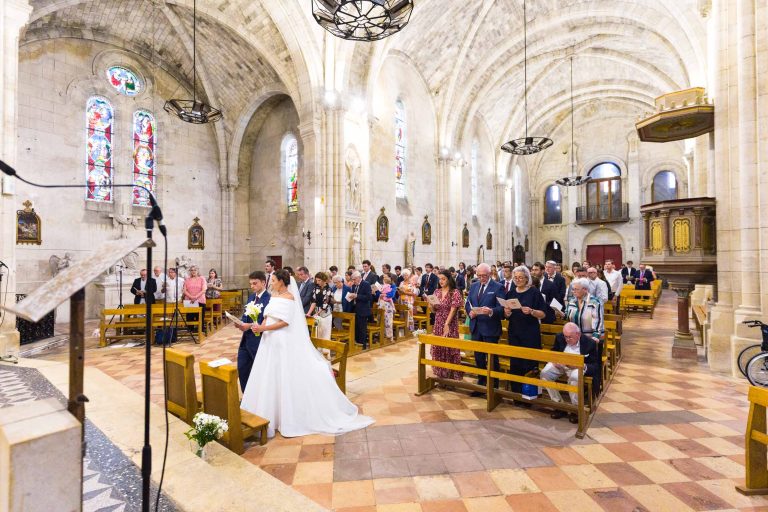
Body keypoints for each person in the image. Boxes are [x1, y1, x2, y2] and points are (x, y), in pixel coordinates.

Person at [241, 270, 374, 437]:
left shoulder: (289, 297)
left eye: (274, 280)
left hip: (281, 339)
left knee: (282, 374)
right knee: (269, 373)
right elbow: (268, 316)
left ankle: (286, 415)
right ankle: (269, 413)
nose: (271, 283)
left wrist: (264, 328)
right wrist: (259, 327)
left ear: (282, 281)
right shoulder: (273, 295)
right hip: (269, 340)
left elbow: (284, 322)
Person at [541, 322, 600, 423]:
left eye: (570, 337)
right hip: (561, 365)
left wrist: (580, 366)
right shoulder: (560, 337)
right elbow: (554, 351)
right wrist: (554, 360)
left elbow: (595, 366)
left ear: (578, 334)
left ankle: (575, 409)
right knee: (545, 373)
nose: (567, 339)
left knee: (575, 377)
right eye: (565, 337)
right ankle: (559, 405)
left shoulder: (589, 343)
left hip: (577, 367)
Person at [503, 266, 547, 398]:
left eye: (521, 277)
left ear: (527, 278)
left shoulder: (534, 292)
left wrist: (532, 311)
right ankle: (516, 393)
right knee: (515, 363)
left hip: (530, 333)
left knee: (529, 363)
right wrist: (507, 312)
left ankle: (530, 394)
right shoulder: (510, 293)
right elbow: (506, 314)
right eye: (515, 277)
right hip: (514, 332)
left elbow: (543, 314)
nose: (518, 280)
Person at [465, 263, 505, 396]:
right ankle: (481, 384)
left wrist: (491, 311)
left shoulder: (498, 287)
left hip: (490, 327)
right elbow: (468, 303)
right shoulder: (474, 285)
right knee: (479, 358)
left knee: (492, 358)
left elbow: (502, 308)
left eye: (484, 276)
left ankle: (494, 387)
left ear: (490, 274)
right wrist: (470, 311)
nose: (482, 278)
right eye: (479, 275)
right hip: (476, 326)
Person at [236, 271, 270, 391]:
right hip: (245, 340)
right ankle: (246, 397)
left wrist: (249, 325)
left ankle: (258, 399)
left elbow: (266, 322)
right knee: (242, 368)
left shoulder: (269, 299)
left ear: (263, 283)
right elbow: (246, 315)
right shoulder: (251, 297)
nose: (252, 286)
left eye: (254, 283)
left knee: (259, 371)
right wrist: (240, 323)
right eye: (250, 284)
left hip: (259, 340)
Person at [431, 270, 464, 381]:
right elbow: (434, 310)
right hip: (438, 323)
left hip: (450, 324)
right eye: (439, 279)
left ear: (449, 279)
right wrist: (431, 305)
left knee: (450, 348)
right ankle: (441, 374)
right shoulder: (436, 292)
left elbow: (453, 310)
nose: (441, 281)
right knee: (439, 348)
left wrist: (447, 324)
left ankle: (452, 374)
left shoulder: (454, 292)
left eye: (443, 279)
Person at [347, 271, 372, 349]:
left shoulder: (366, 284)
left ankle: (362, 345)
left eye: (354, 279)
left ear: (358, 278)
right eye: (352, 280)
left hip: (363, 310)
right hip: (355, 309)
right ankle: (357, 344)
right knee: (356, 328)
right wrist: (350, 296)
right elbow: (354, 295)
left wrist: (357, 296)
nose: (353, 281)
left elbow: (368, 297)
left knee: (362, 329)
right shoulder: (354, 285)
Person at [307, 272, 334, 340]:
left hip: (326, 315)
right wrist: (309, 313)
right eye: (316, 280)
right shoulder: (316, 288)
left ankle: (325, 351)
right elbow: (313, 302)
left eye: (319, 280)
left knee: (325, 335)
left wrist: (316, 314)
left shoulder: (329, 289)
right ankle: (318, 350)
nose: (317, 282)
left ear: (324, 280)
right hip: (317, 314)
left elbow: (325, 304)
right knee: (318, 334)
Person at [182, 265, 207, 333]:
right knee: (190, 317)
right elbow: (184, 290)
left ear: (198, 271)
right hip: (189, 301)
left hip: (200, 300)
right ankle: (190, 331)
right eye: (192, 270)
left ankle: (200, 331)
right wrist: (191, 297)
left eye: (195, 270)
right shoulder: (187, 279)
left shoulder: (202, 279)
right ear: (190, 271)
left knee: (200, 317)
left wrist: (195, 297)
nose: (193, 271)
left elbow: (204, 290)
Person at [377, 275, 397, 341]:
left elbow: (392, 295)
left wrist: (384, 295)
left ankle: (389, 336)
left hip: (388, 305)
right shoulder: (382, 285)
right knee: (380, 319)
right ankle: (381, 335)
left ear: (390, 278)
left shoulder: (393, 286)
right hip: (382, 304)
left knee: (388, 321)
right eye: (384, 277)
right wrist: (377, 293)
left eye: (386, 277)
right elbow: (378, 294)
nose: (384, 278)